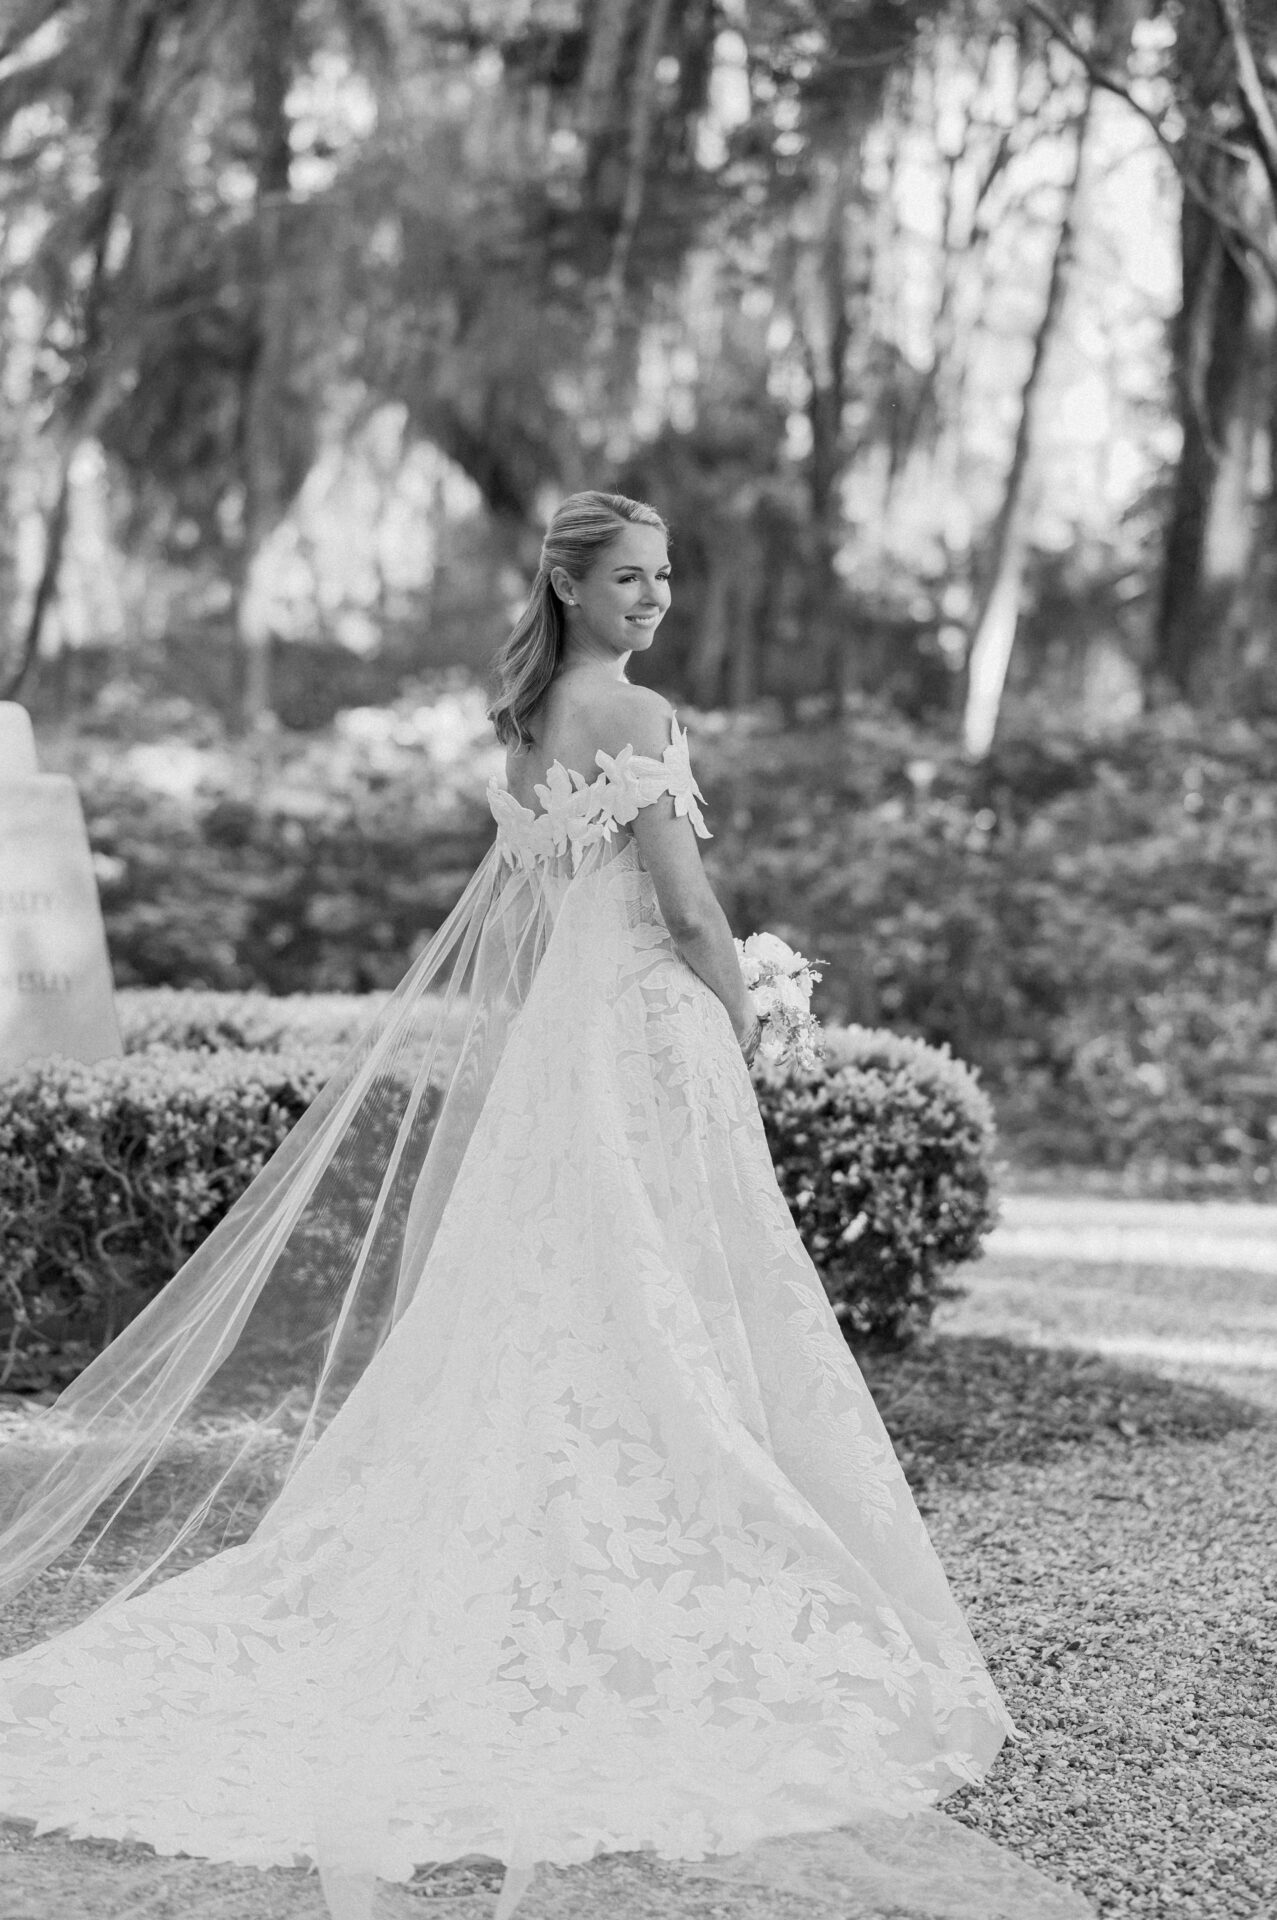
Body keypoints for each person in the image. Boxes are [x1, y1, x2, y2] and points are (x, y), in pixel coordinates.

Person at [0, 491, 1094, 1920]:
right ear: (569, 586)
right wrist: (752, 1015)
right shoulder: (632, 719)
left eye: (663, 577)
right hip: (645, 1036)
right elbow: (688, 912)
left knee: (568, 1296)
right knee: (671, 1289)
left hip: (566, 1053)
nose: (652, 600)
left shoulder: (526, 729)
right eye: (627, 578)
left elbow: (534, 923)